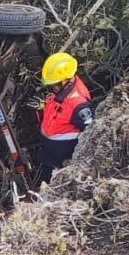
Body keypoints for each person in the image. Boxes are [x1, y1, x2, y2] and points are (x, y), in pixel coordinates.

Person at [39, 52, 93, 183]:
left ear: (67, 80)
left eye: (56, 85)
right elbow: (58, 107)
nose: (53, 88)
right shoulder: (63, 89)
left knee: (52, 181)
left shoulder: (79, 104)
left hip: (61, 153)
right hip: (49, 149)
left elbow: (89, 131)